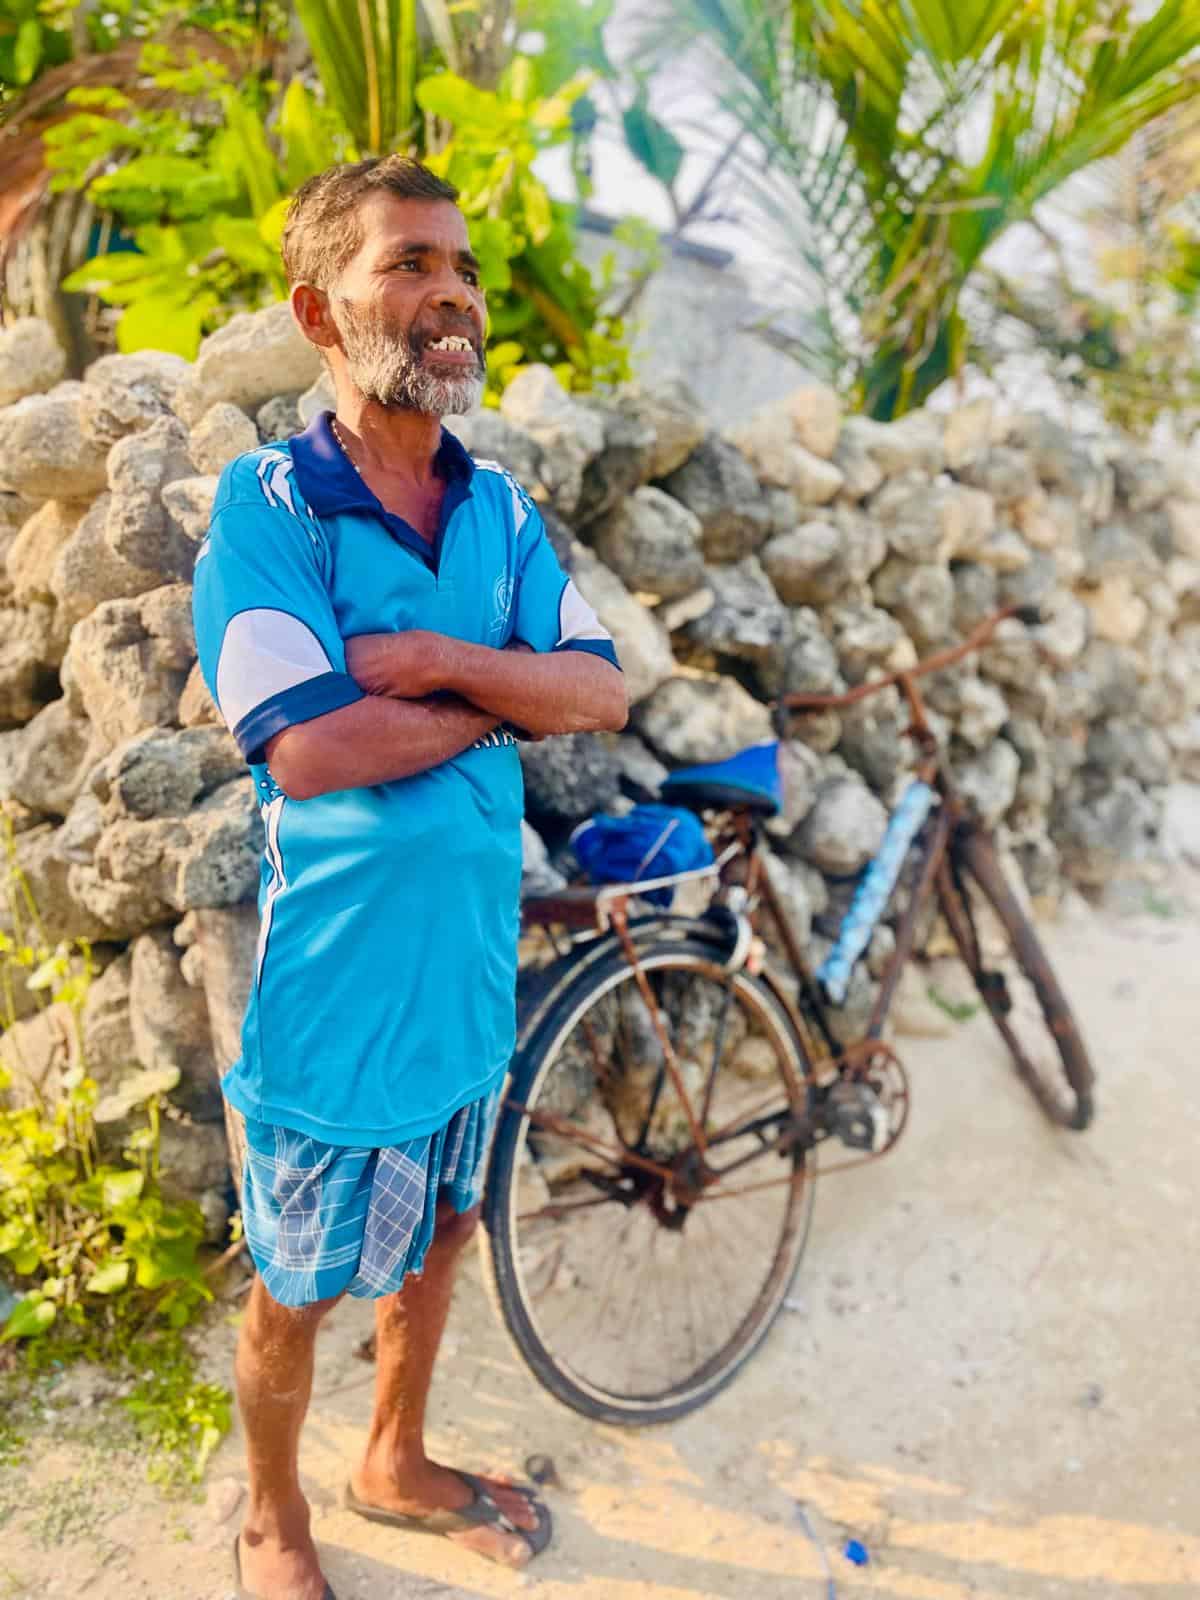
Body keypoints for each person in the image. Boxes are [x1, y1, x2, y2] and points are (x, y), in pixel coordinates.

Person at [192, 154, 627, 1600]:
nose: (450, 295)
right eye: (409, 266)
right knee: (295, 1286)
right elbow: (308, 749)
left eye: (463, 270)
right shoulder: (270, 512)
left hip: (466, 978)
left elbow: (598, 694)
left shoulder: (496, 509)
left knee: (443, 1229)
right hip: (337, 997)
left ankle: (391, 1455)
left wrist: (446, 666)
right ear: (321, 312)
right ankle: (271, 1517)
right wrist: (511, 694)